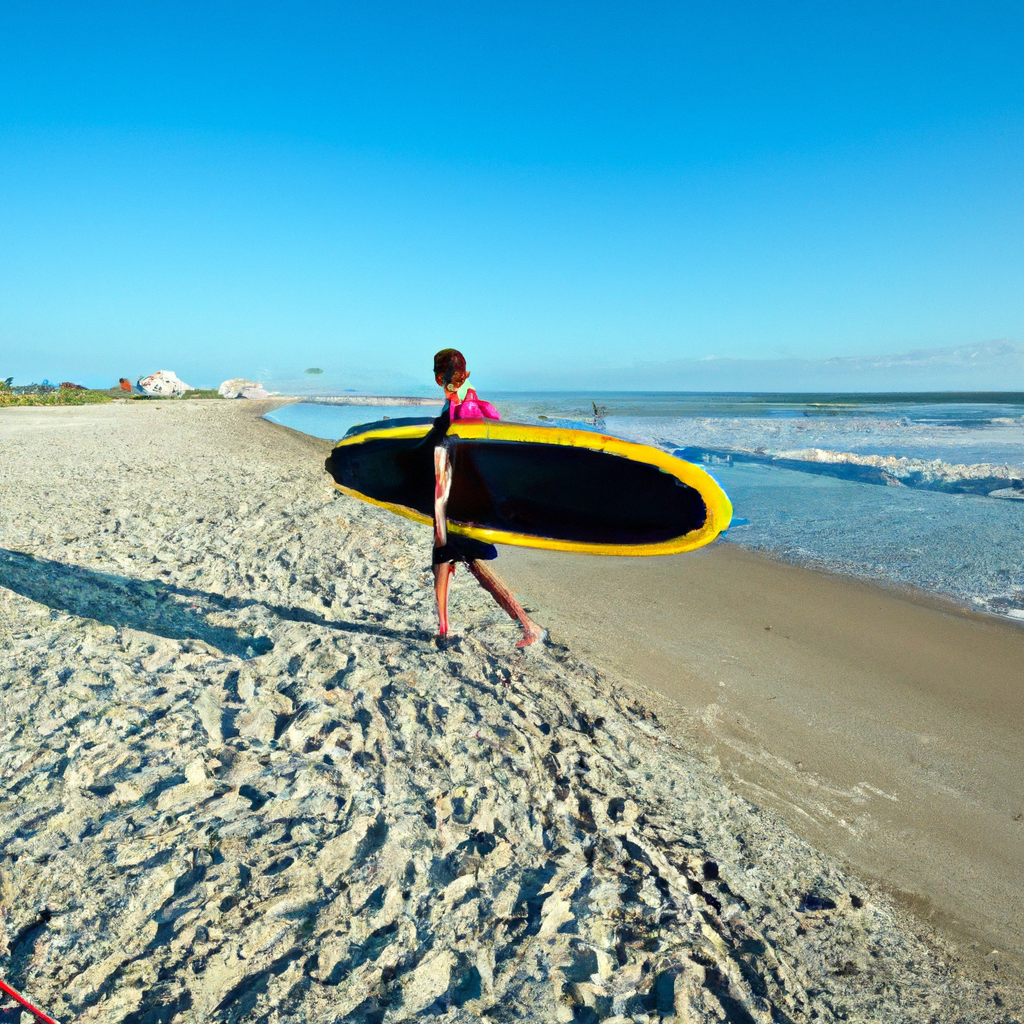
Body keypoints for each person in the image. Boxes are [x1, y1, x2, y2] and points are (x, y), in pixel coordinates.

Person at [430, 348, 545, 648]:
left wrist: (441, 523)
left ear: (440, 377)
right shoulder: (471, 405)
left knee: (448, 562)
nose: (448, 384)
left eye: (447, 378)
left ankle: (525, 626)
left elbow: (451, 461)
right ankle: (526, 625)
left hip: (457, 504)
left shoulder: (463, 410)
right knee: (470, 565)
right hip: (467, 501)